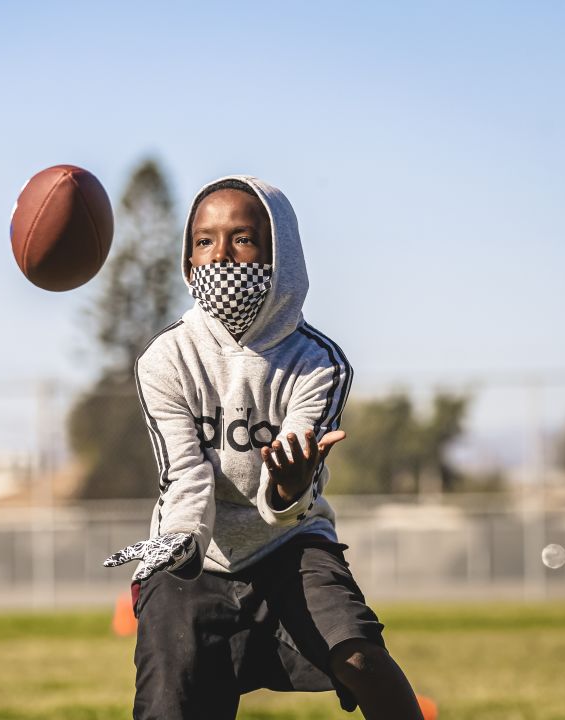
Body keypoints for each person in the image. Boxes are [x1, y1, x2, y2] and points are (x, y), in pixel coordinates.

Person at [103, 176, 424, 719]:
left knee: (361, 656)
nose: (221, 256)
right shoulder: (164, 358)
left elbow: (289, 494)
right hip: (197, 554)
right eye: (204, 241)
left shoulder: (318, 361)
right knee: (168, 701)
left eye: (243, 239)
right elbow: (185, 476)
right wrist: (178, 544)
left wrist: (289, 485)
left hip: (288, 545)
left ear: (281, 255)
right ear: (187, 260)